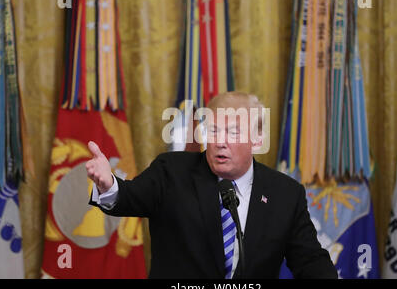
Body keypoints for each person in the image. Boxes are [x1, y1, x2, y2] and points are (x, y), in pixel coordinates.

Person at [87, 92, 337, 279]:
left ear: (258, 139)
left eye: (234, 133)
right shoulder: (171, 172)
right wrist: (109, 185)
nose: (220, 142)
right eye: (214, 131)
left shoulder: (285, 194)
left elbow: (310, 261)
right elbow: (128, 197)